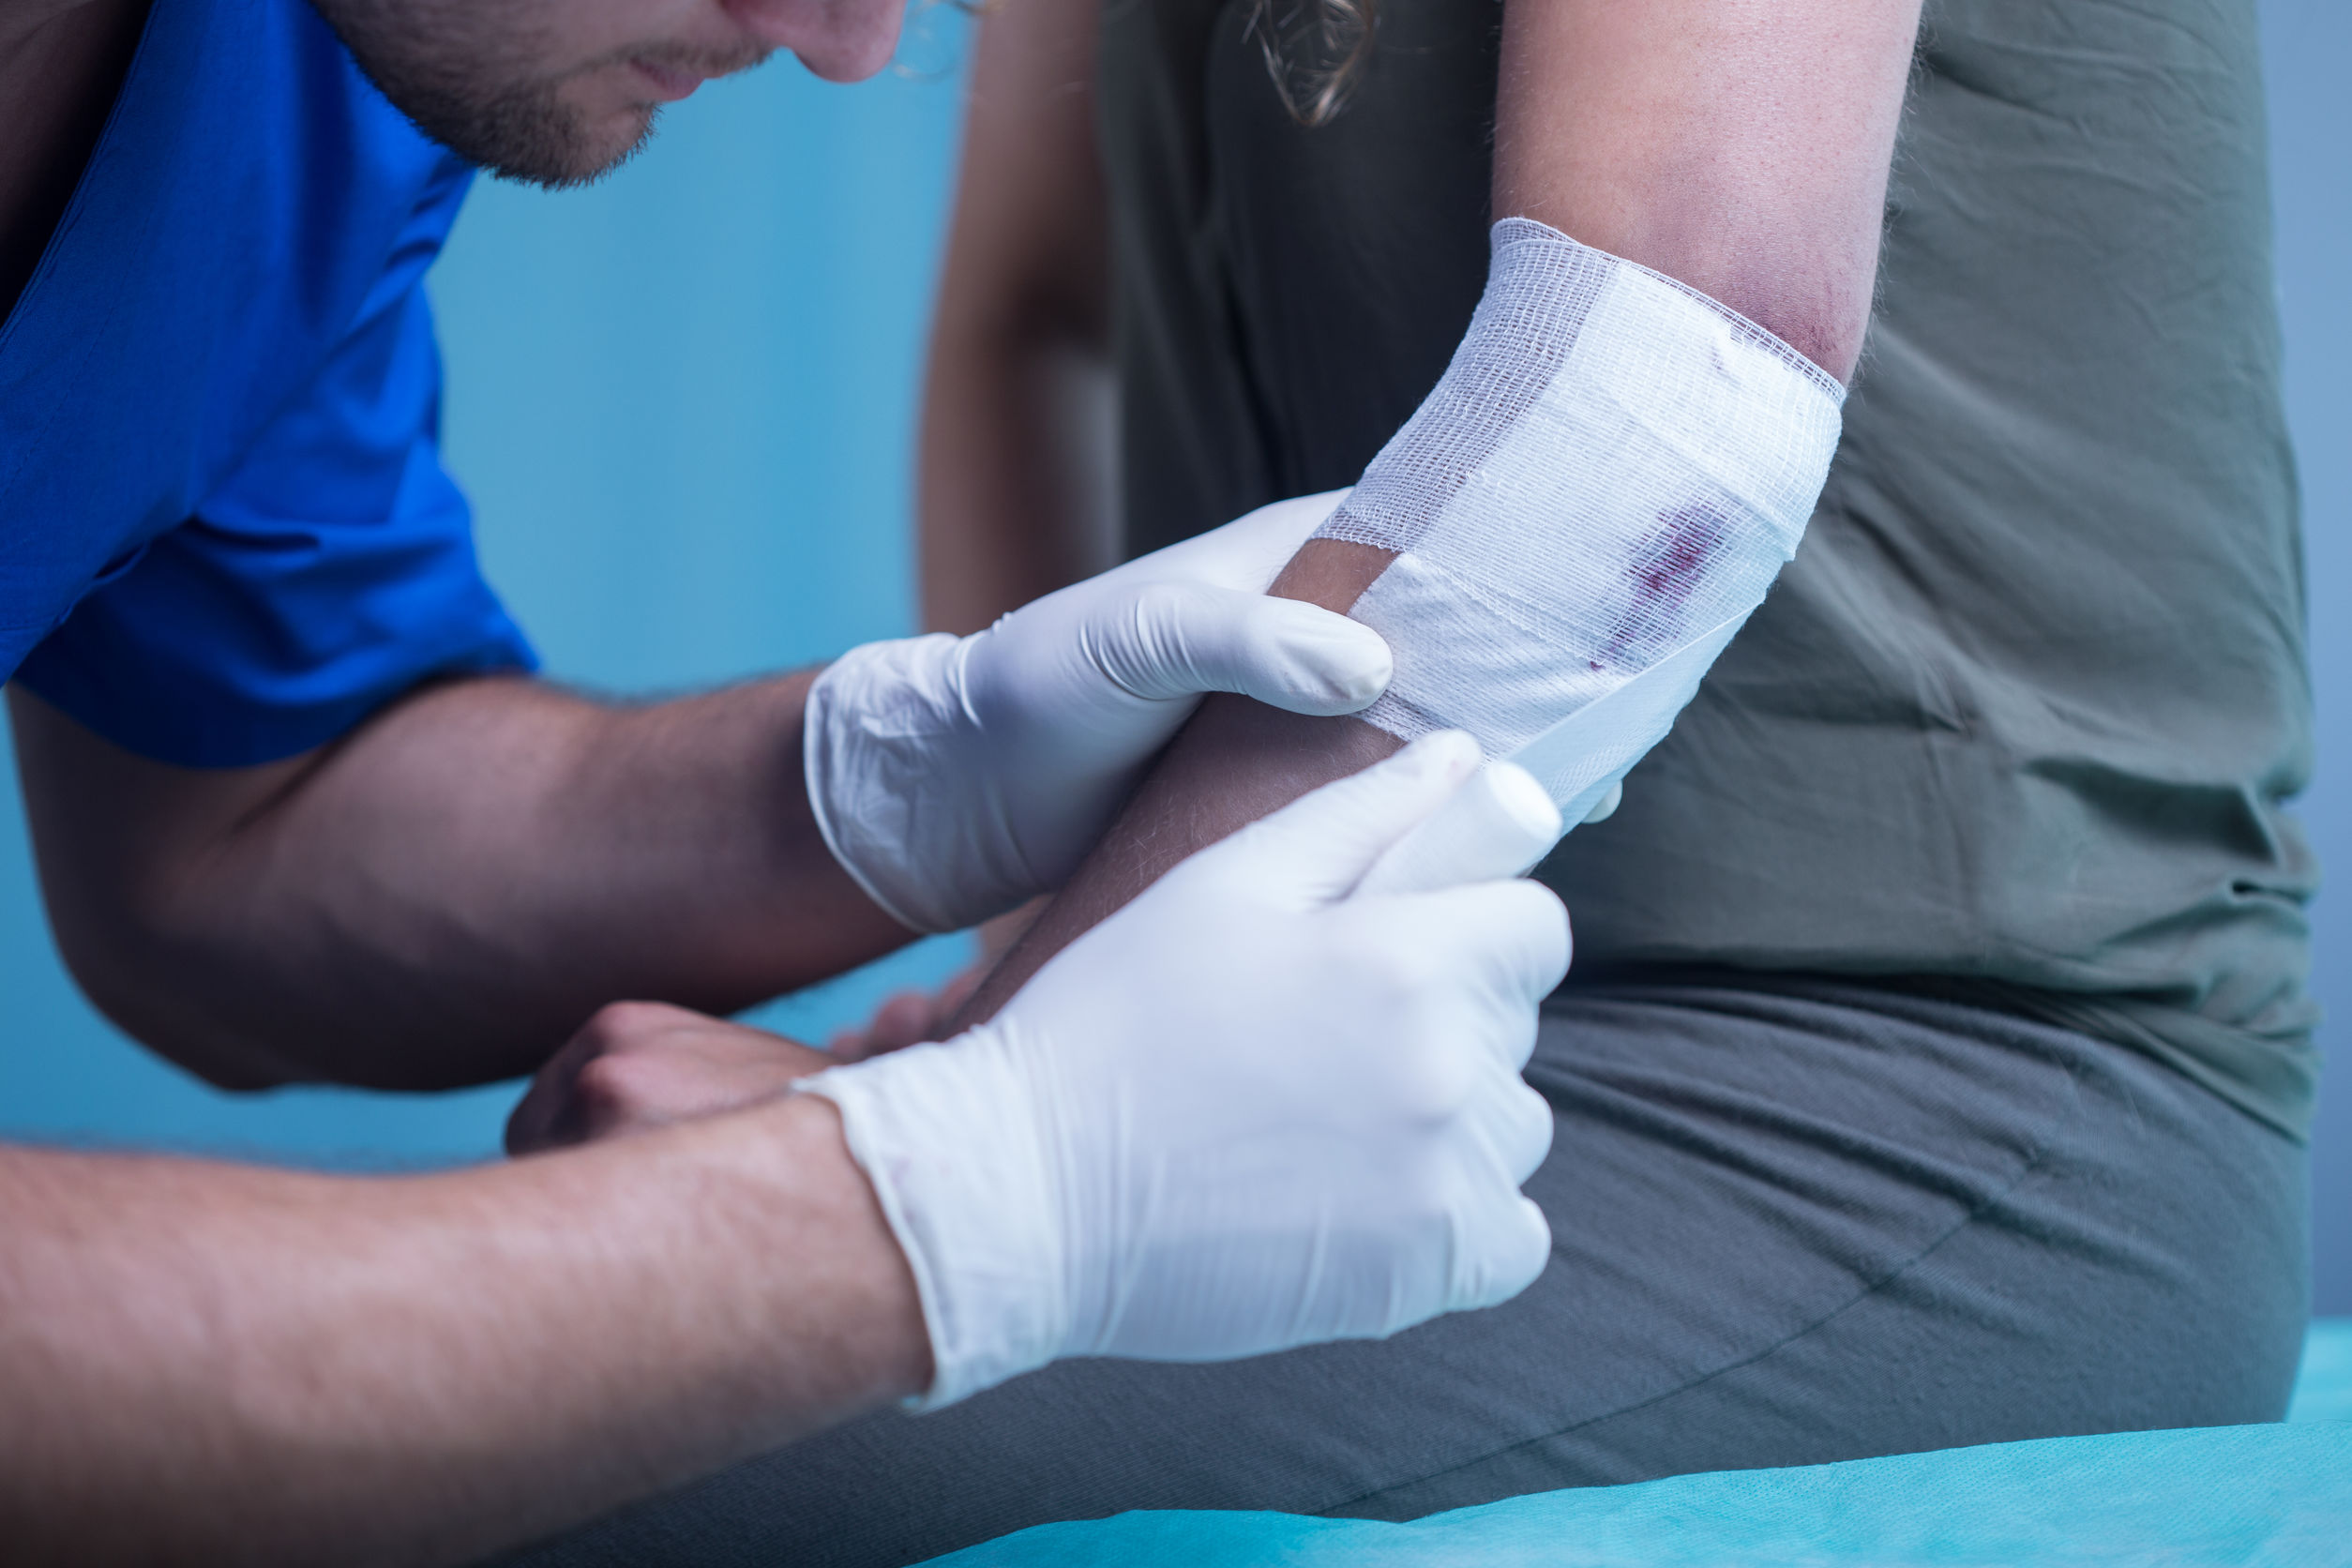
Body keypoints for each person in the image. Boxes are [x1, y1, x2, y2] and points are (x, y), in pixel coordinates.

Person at [500, 0, 2317, 1564]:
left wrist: (971, 1121)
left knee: (531, 1436)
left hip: (1909, 1071)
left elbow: (1660, 400)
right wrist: (1027, 1021)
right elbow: (1038, 322)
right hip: (1363, 1031)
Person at [0, 0, 1579, 1560]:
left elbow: (235, 842)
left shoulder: (290, 77)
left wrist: (888, 785)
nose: (849, 43)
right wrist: (928, 1213)